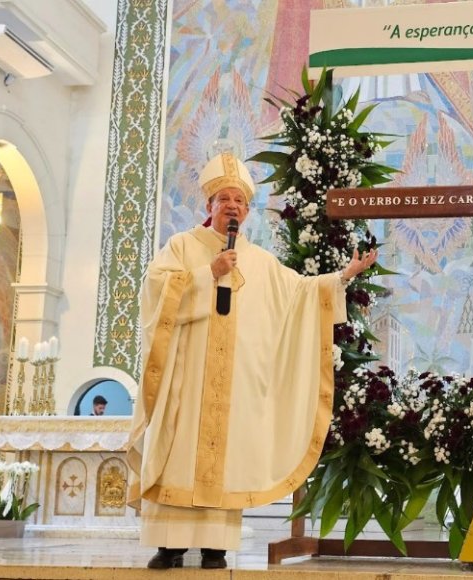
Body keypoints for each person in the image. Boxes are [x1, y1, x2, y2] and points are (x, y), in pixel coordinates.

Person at [125, 152, 377, 570]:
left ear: (247, 211)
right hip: (188, 378)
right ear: (209, 205)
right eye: (224, 199)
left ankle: (215, 547)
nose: (232, 206)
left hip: (233, 387)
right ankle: (169, 545)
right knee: (179, 452)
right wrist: (209, 272)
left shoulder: (260, 261)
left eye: (239, 201)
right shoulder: (182, 246)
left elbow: (300, 294)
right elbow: (155, 293)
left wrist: (343, 276)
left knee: (228, 459)